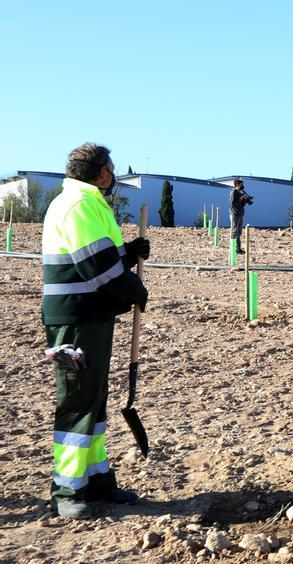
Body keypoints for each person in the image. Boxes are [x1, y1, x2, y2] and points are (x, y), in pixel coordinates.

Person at [41, 143, 150, 519]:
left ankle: (96, 479)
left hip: (89, 316)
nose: (114, 174)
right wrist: (133, 289)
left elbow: (105, 256)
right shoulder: (79, 205)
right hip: (75, 318)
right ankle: (68, 490)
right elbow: (97, 268)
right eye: (112, 168)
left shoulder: (87, 203)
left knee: (94, 402)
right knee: (76, 403)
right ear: (100, 172)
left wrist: (130, 254)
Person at [229, 178, 253, 254]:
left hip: (240, 214)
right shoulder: (233, 192)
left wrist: (246, 200)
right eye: (241, 184)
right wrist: (241, 199)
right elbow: (233, 203)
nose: (242, 186)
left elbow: (241, 205)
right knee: (234, 231)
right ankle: (233, 248)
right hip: (235, 214)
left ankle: (238, 248)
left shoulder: (241, 193)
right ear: (237, 185)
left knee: (239, 232)